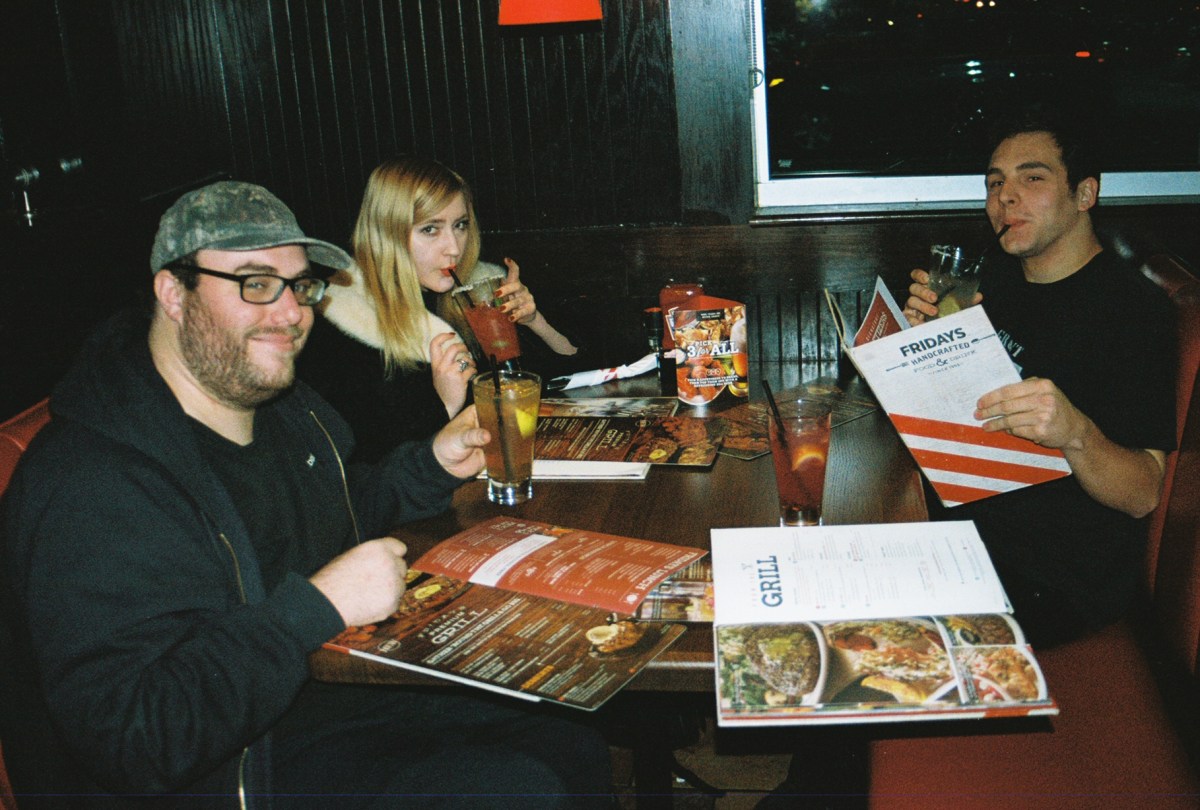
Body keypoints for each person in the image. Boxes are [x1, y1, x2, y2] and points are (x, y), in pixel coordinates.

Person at [0, 181, 612, 808]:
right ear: (173, 293)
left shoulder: (277, 409)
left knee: (566, 734)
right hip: (226, 771)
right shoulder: (94, 482)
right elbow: (135, 738)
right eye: (256, 284)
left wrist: (433, 462)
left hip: (313, 700)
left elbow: (340, 512)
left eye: (299, 286)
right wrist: (315, 608)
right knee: (512, 791)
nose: (291, 312)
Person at [902, 107, 1176, 647]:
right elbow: (962, 420)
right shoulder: (992, 280)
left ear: (1084, 195)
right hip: (964, 532)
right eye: (995, 182)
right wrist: (924, 346)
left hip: (1050, 581)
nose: (1005, 197)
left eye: (1033, 177)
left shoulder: (1133, 312)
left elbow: (1144, 493)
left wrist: (1076, 431)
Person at [300, 157, 582, 462]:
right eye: (430, 229)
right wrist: (445, 403)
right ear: (387, 234)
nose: (454, 248)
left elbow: (565, 382)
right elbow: (366, 465)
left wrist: (534, 321)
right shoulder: (343, 324)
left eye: (460, 225)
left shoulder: (473, 291)